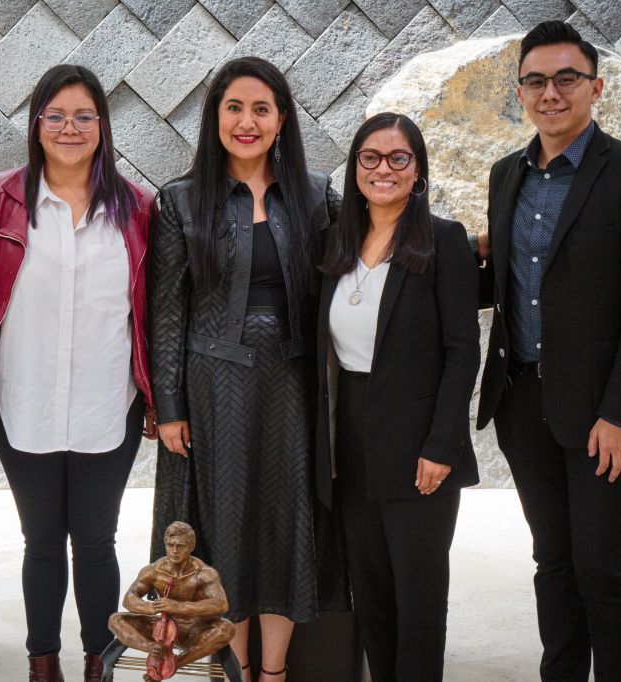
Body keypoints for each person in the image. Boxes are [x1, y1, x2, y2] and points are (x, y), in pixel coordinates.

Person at [472, 21, 621, 682]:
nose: (551, 93)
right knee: (552, 564)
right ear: (521, 92)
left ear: (595, 87)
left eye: (566, 79)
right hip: (521, 403)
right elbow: (502, 282)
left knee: (599, 568)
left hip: (600, 415)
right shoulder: (507, 176)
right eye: (536, 80)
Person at [0, 64, 157, 682]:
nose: (70, 128)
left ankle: (101, 659)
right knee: (41, 543)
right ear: (36, 124)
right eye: (56, 116)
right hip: (23, 399)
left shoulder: (136, 206)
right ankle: (43, 662)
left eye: (84, 116)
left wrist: (155, 398)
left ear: (104, 126)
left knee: (96, 542)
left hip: (107, 403)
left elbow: (151, 312)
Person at [150, 56, 348, 682]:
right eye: (233, 107)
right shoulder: (181, 201)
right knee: (225, 528)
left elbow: (372, 251)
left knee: (288, 525)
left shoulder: (317, 194)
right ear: (214, 119)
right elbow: (166, 314)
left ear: (281, 120)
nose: (247, 121)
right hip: (213, 390)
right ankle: (230, 672)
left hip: (292, 387)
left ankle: (275, 673)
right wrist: (170, 406)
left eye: (261, 109)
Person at [315, 113, 480, 681]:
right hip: (352, 439)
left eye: (398, 158)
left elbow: (463, 353)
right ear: (355, 167)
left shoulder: (444, 241)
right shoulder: (336, 243)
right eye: (371, 157)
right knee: (373, 594)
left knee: (419, 600)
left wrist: (442, 447)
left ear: (418, 170)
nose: (383, 168)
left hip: (419, 445)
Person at [109, 521, 235, 679]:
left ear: (191, 546)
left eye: (180, 546)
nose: (174, 550)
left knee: (227, 629)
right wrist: (149, 608)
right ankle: (153, 650)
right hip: (162, 629)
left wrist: (179, 606)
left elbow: (221, 604)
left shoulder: (204, 574)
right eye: (170, 545)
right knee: (115, 620)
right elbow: (129, 598)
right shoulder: (154, 571)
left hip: (194, 629)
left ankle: (173, 664)